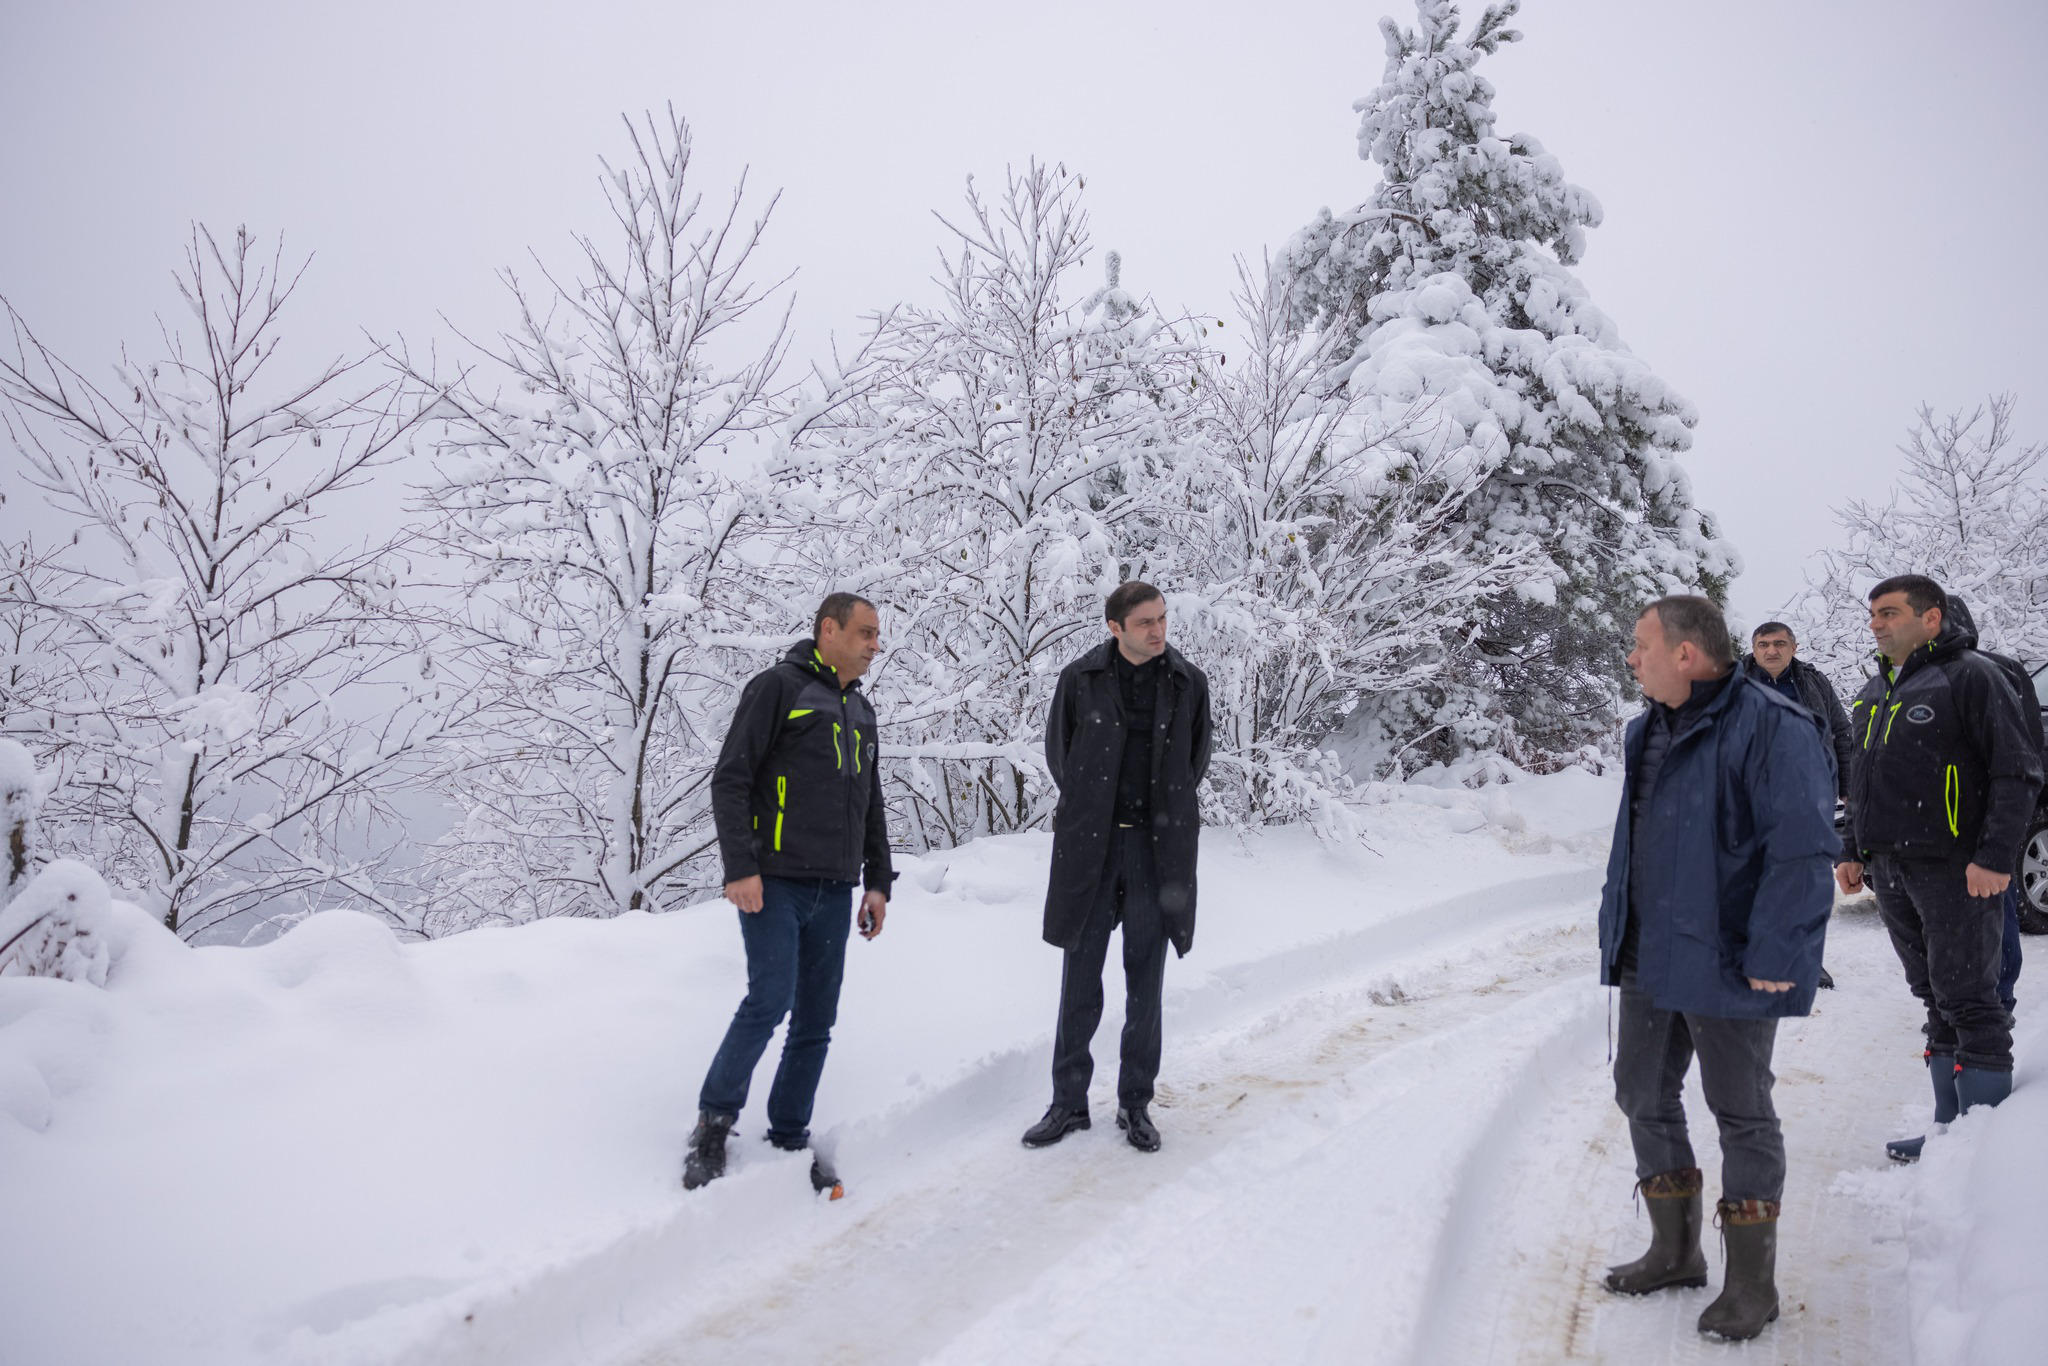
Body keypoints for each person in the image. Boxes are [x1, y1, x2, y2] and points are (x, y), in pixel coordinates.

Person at [1596, 595, 1836, 1343]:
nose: (1632, 658)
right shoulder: (1646, 730)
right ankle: (1674, 1251)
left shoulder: (1774, 725)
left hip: (1731, 957)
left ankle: (1752, 1285)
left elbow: (1801, 848)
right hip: (1648, 950)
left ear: (1687, 654)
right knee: (1640, 1090)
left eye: (1641, 645)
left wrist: (1777, 952)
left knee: (1741, 1111)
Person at [682, 593, 894, 1193]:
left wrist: (877, 881)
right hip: (774, 881)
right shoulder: (779, 687)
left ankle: (788, 1133)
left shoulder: (862, 709)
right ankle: (713, 1124)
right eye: (866, 633)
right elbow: (732, 778)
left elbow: (871, 801)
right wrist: (740, 867)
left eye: (877, 636)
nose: (875, 645)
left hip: (835, 885)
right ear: (829, 630)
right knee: (769, 999)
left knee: (817, 1018)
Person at [1836, 577, 2041, 1163]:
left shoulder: (1971, 676)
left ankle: (1986, 1157)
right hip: (1892, 869)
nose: (1876, 623)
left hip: (1955, 867)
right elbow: (1862, 780)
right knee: (1933, 995)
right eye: (1873, 613)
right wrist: (1852, 849)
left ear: (1931, 619)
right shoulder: (1876, 689)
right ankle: (1950, 1134)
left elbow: (2017, 772)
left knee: (1971, 999)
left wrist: (1995, 858)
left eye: (1890, 612)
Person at [1022, 582, 1212, 1155]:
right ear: (1115, 628)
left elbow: (1195, 759)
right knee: (1079, 979)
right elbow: (1062, 756)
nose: (1157, 631)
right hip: (1093, 850)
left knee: (1145, 983)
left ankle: (1135, 1104)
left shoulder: (1187, 682)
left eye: (1162, 619)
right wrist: (1095, 814)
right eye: (1145, 623)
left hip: (1158, 853)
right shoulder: (1080, 680)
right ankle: (1068, 1104)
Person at [1742, 621, 1856, 989]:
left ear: (1793, 646)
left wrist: (1849, 786)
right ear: (1754, 648)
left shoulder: (1814, 683)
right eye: (1764, 644)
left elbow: (1840, 730)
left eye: (1779, 643)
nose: (1771, 651)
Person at [1945, 597, 2041, 1023]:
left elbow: (2026, 750)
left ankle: (1999, 1002)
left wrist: (2006, 813)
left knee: (1994, 916)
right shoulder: (1908, 678)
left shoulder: (1996, 669)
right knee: (1946, 925)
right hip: (1932, 828)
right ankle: (1955, 1005)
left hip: (1981, 819)